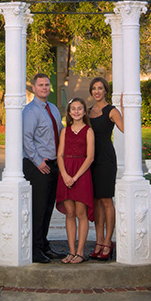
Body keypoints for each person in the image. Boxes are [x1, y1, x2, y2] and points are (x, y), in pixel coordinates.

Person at [22, 73, 66, 263]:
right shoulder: (30, 111)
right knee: (38, 208)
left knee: (48, 208)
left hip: (53, 164)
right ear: (34, 88)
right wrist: (38, 161)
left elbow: (61, 131)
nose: (45, 88)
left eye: (47, 85)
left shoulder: (53, 109)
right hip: (37, 166)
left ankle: (44, 244)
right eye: (40, 85)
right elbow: (26, 139)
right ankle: (34, 248)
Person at [87, 76, 124, 261]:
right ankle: (99, 241)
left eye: (100, 88)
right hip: (89, 161)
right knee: (95, 202)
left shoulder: (111, 110)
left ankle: (109, 242)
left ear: (105, 91)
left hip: (106, 160)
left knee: (106, 200)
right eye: (94, 88)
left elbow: (127, 129)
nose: (97, 91)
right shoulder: (87, 112)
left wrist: (124, 109)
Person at [55, 97, 95, 264]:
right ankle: (71, 251)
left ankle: (80, 252)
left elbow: (90, 157)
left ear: (84, 112)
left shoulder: (88, 131)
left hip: (81, 173)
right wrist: (64, 174)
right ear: (69, 112)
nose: (77, 111)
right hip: (66, 172)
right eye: (73, 109)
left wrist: (75, 177)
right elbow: (60, 155)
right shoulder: (65, 131)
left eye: (80, 108)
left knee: (81, 213)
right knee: (70, 213)